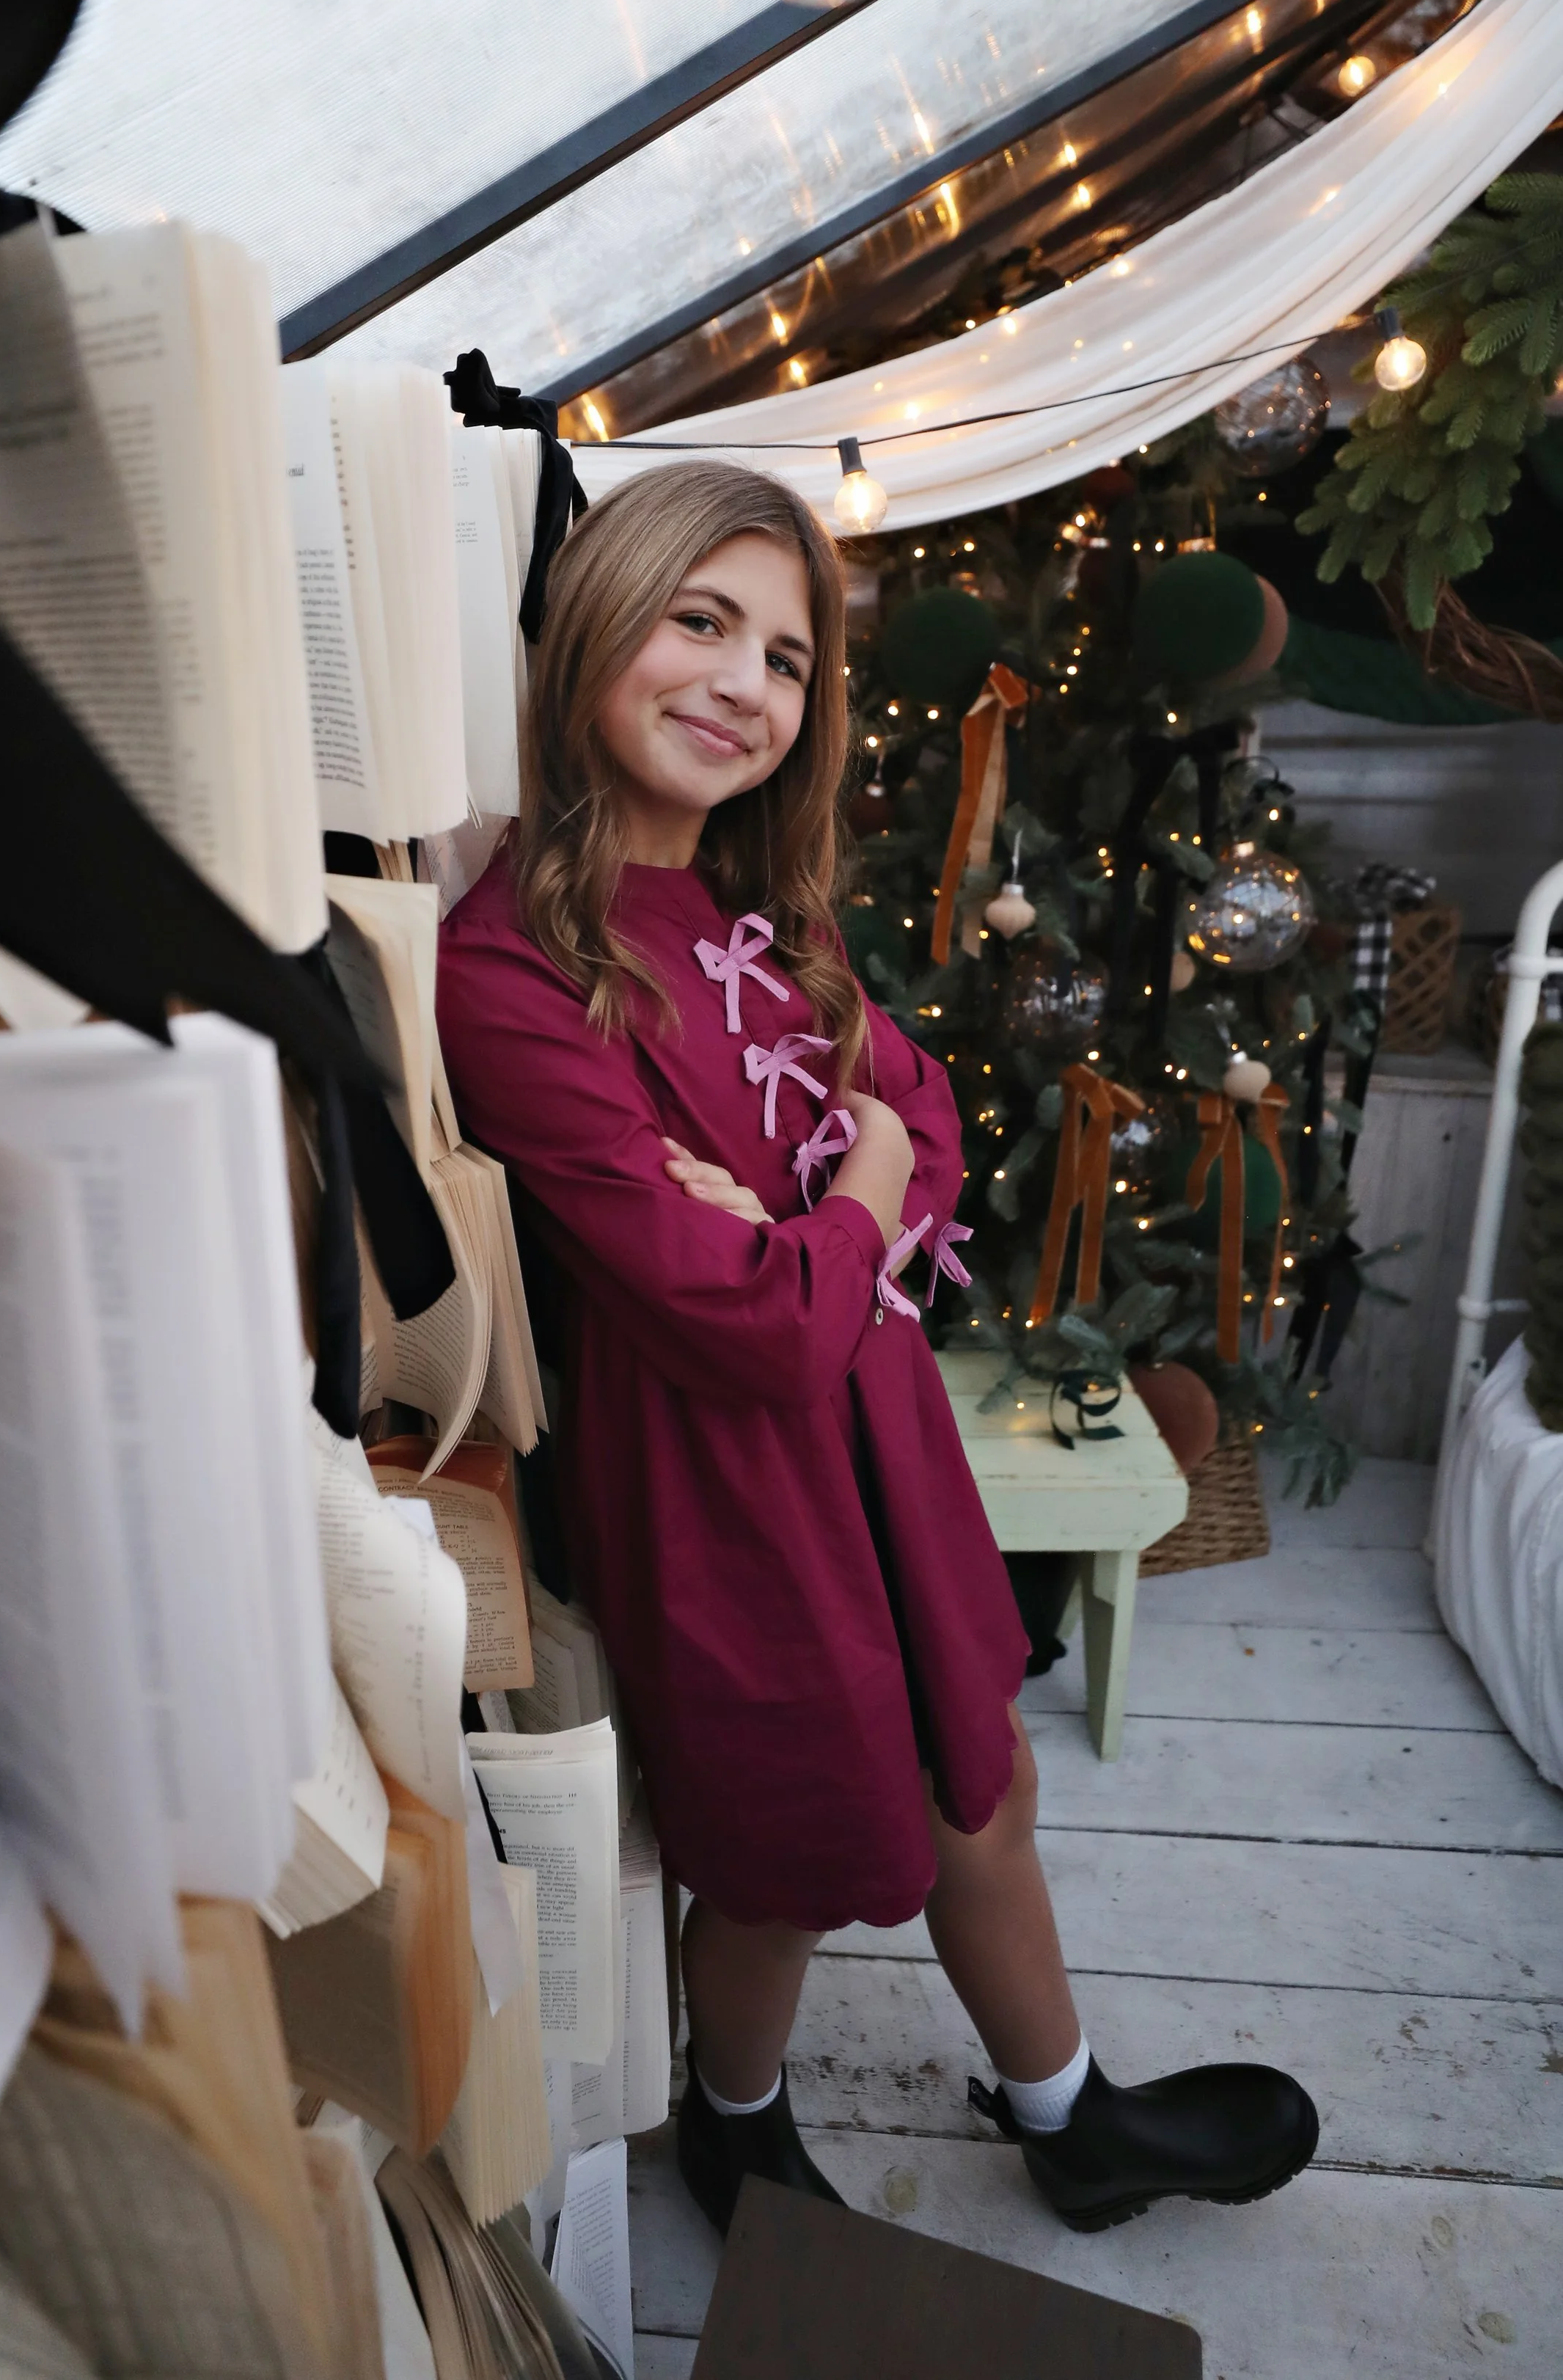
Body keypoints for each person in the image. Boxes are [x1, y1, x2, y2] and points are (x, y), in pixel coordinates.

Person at [435, 461, 1317, 2235]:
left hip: (877, 1424)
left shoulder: (776, 919)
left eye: (781, 657)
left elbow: (922, 1132)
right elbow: (743, 1330)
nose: (739, 684)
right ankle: (736, 2113)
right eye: (699, 622)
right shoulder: (512, 964)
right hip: (722, 1480)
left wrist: (832, 1200)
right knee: (795, 1843)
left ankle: (1066, 2116)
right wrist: (831, 1218)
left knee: (973, 1772)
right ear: (596, 620)